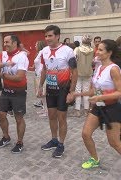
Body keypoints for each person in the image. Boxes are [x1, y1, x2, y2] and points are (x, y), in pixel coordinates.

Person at [73, 39, 121, 169]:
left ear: (109, 52)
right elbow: (95, 90)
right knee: (85, 134)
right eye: (97, 49)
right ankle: (95, 159)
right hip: (98, 107)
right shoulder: (99, 67)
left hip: (112, 108)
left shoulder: (114, 69)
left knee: (114, 143)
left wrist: (100, 96)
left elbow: (119, 92)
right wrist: (78, 94)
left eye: (100, 50)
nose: (97, 52)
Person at [37, 25, 77, 158]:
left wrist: (71, 91)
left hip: (63, 89)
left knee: (62, 118)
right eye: (46, 36)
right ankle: (54, 139)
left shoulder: (67, 51)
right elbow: (44, 69)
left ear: (58, 36)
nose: (47, 38)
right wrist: (40, 85)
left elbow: (74, 72)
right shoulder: (44, 51)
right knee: (51, 116)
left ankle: (61, 144)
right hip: (50, 89)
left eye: (50, 36)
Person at [0, 35, 29, 153]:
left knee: (19, 118)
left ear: (14, 43)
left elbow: (19, 77)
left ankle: (20, 142)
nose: (5, 44)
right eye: (4, 42)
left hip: (19, 92)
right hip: (6, 90)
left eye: (7, 42)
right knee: (1, 114)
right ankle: (6, 137)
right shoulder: (2, 54)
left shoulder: (22, 56)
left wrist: (2, 74)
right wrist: (5, 64)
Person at [72, 35, 94, 117]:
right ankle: (86, 110)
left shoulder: (77, 49)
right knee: (86, 91)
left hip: (78, 72)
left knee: (78, 91)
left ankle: (77, 110)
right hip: (88, 72)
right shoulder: (92, 50)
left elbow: (73, 60)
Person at [31, 41, 47, 117]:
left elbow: (43, 64)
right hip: (38, 73)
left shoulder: (42, 52)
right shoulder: (39, 52)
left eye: (36, 44)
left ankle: (46, 110)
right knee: (41, 93)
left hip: (41, 74)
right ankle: (44, 108)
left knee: (43, 93)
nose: (35, 46)